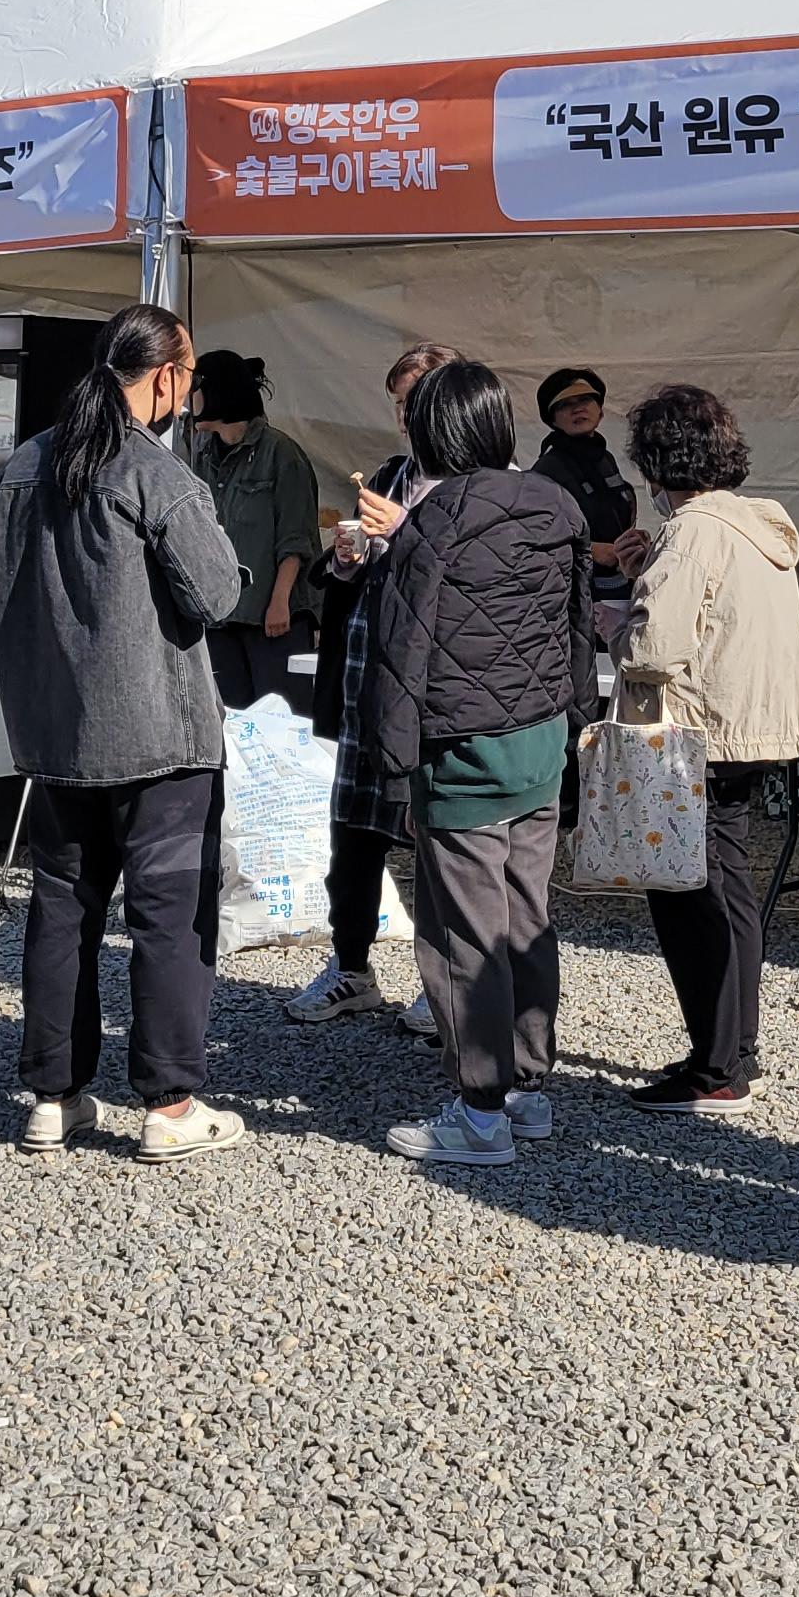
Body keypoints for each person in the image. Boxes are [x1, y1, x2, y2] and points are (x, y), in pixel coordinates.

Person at [0, 303, 248, 1165]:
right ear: (166, 376)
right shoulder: (152, 471)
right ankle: (170, 1105)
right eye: (189, 375)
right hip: (158, 732)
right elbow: (216, 596)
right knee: (168, 914)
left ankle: (54, 1099)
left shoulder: (24, 464)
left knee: (63, 906)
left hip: (56, 729)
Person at [358, 359, 600, 1167]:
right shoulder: (556, 502)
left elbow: (402, 651)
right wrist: (576, 716)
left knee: (463, 934)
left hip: (461, 750)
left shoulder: (435, 517)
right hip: (539, 741)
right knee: (526, 916)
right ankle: (527, 1089)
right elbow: (577, 625)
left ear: (433, 430)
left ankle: (481, 1111)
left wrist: (393, 759)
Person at [618, 383, 799, 1113]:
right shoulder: (757, 523)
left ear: (655, 462)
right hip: (749, 725)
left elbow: (653, 646)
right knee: (727, 886)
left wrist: (617, 619)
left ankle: (717, 1066)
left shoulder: (691, 530)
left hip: (700, 730)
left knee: (691, 895)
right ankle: (734, 1049)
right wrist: (646, 573)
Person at [288, 339, 461, 1033]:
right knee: (354, 833)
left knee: (442, 839)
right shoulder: (392, 473)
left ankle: (446, 981)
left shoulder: (480, 484)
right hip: (366, 681)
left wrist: (407, 529)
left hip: (436, 693)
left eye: (416, 401)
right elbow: (350, 572)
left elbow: (472, 578)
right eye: (398, 403)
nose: (405, 416)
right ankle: (351, 966)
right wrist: (346, 554)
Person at [187, 350, 321, 711]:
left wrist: (280, 602)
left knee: (283, 721)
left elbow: (296, 537)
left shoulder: (281, 453)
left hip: (273, 618)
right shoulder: (201, 453)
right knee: (231, 723)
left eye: (196, 385)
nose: (188, 395)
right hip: (221, 617)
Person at [532, 368, 650, 604]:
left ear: (600, 411)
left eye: (585, 399)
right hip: (573, 594)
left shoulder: (605, 459)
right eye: (565, 404)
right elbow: (535, 535)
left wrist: (633, 540)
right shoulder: (547, 469)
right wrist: (592, 550)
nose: (578, 409)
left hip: (617, 586)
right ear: (552, 419)